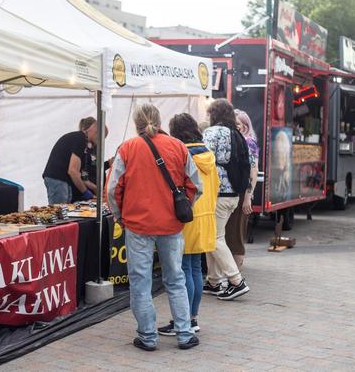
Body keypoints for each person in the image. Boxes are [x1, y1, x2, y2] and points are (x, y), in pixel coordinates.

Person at [107, 104, 203, 351]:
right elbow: (195, 184)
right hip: (171, 225)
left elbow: (112, 189)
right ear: (160, 121)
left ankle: (148, 337)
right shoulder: (178, 146)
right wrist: (183, 208)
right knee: (175, 278)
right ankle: (184, 333)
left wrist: (120, 216)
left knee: (141, 282)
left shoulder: (127, 148)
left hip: (138, 225)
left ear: (136, 123)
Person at [158, 113, 219, 337]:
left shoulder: (183, 155)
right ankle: (192, 318)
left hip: (187, 217)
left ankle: (182, 320)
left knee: (183, 271)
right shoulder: (208, 154)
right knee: (194, 270)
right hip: (206, 218)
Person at [202, 99, 251, 301]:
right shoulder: (237, 134)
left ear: (215, 114)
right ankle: (214, 282)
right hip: (233, 196)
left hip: (217, 194)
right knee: (216, 236)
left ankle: (236, 281)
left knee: (214, 239)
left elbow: (203, 160)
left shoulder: (211, 133)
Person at [225, 109, 259, 269]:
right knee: (231, 233)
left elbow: (253, 171)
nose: (235, 127)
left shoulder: (248, 143)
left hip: (242, 194)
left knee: (237, 234)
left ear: (245, 126)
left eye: (238, 124)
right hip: (237, 193)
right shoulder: (239, 140)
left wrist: (247, 197)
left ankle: (236, 275)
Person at [42, 118, 98, 204]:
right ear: (96, 132)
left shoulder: (82, 141)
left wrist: (94, 189)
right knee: (60, 212)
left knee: (66, 211)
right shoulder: (81, 139)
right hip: (58, 178)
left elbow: (82, 175)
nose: (100, 142)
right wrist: (85, 192)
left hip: (62, 179)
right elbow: (73, 171)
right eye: (102, 137)